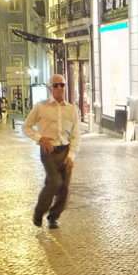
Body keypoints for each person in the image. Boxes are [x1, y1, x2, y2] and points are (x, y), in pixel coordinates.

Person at [23, 74, 80, 229]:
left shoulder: (72, 109)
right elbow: (26, 126)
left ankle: (53, 217)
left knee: (64, 189)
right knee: (55, 182)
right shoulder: (41, 107)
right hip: (48, 151)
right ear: (50, 88)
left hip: (65, 150)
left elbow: (76, 135)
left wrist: (71, 155)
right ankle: (38, 212)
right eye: (56, 85)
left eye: (62, 85)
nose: (60, 88)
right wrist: (40, 138)